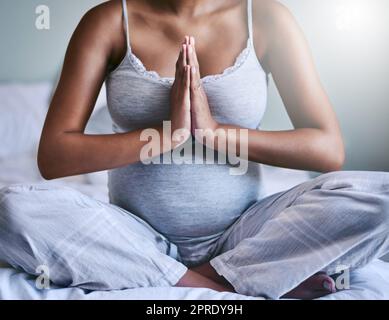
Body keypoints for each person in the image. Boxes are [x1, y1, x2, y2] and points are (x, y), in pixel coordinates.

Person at [1, 0, 388, 299]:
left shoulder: (267, 18)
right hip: (134, 236)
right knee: (11, 209)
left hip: (246, 233)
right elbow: (54, 157)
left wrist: (215, 133)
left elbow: (326, 149)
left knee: (381, 197)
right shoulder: (108, 20)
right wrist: (167, 135)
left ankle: (209, 274)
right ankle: (224, 283)